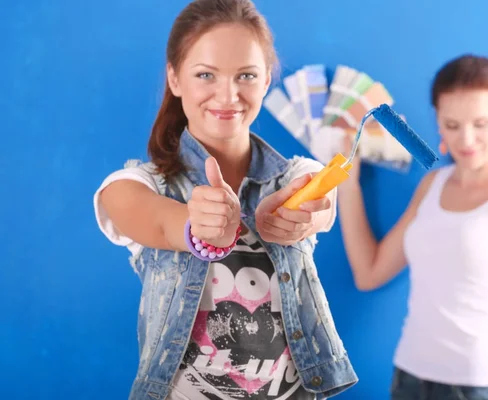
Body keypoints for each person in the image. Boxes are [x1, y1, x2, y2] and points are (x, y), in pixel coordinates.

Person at [93, 1, 358, 399]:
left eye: (246, 76)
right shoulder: (140, 184)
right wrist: (196, 226)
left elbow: (320, 196)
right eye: (205, 75)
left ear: (267, 79)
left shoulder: (295, 175)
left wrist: (302, 212)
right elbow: (147, 215)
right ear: (175, 78)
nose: (228, 95)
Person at [338, 54, 488, 400]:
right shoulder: (432, 185)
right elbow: (369, 273)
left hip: (483, 387)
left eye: (480, 123)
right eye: (452, 125)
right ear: (438, 122)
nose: (466, 140)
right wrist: (346, 184)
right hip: (407, 381)